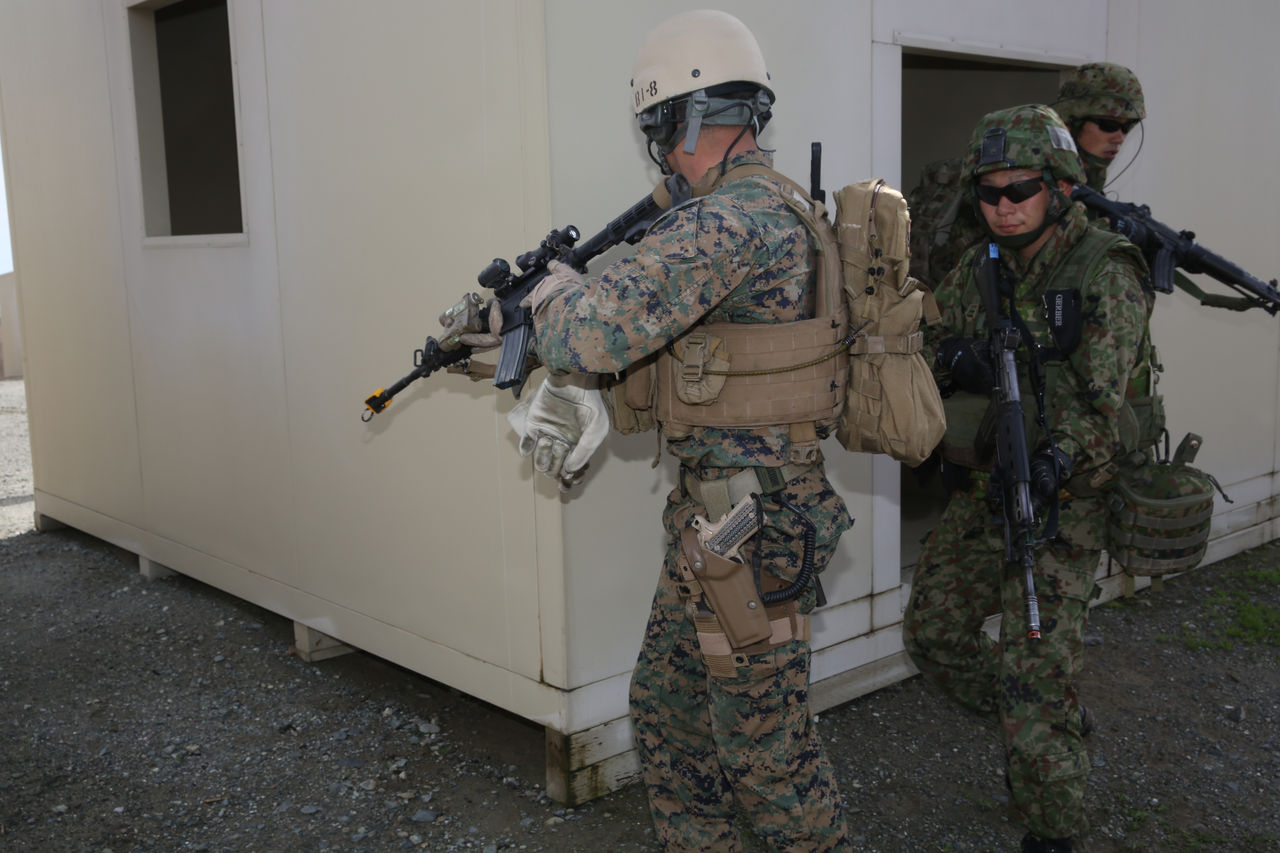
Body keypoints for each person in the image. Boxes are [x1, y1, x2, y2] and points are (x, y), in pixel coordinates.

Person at [508, 9, 853, 851]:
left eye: (657, 125)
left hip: (753, 528)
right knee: (669, 712)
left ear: (681, 119)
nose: (658, 148)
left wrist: (549, 296)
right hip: (722, 521)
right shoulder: (775, 207)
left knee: (767, 758)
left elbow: (592, 334)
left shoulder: (728, 222)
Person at [902, 104, 1159, 853]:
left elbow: (1105, 404)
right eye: (989, 193)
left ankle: (1051, 822)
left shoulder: (1105, 267)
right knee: (934, 637)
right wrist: (954, 359)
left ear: (1061, 186)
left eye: (1021, 189)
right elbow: (925, 337)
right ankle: (1046, 726)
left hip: (1066, 497)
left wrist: (1057, 460)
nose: (1003, 206)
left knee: (1035, 673)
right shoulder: (980, 264)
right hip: (987, 484)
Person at [1052, 62, 1146, 194]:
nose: (1119, 138)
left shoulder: (1089, 180)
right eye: (1109, 125)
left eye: (1127, 126)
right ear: (1072, 122)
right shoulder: (1037, 183)